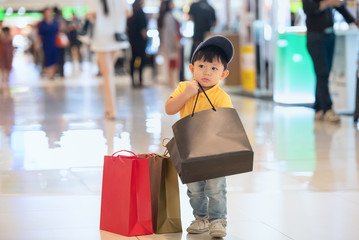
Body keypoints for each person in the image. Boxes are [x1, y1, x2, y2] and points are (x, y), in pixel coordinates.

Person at [165, 36, 234, 238]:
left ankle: (218, 220)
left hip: (214, 150)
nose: (206, 72)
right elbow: (169, 109)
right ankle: (200, 217)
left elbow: (227, 125)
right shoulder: (184, 88)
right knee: (194, 188)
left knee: (216, 187)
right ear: (192, 68)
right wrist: (186, 93)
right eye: (202, 65)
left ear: (223, 74)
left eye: (214, 68)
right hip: (189, 147)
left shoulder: (222, 97)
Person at [302, 0, 359, 123]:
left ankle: (318, 108)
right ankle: (327, 108)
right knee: (322, 73)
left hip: (329, 35)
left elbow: (339, 7)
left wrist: (353, 21)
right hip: (315, 37)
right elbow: (308, 9)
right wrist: (327, 3)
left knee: (324, 73)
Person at [87, 0, 131, 119]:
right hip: (117, 36)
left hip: (102, 36)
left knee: (107, 73)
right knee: (107, 71)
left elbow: (94, 13)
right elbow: (128, 12)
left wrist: (88, 16)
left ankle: (112, 109)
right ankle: (108, 106)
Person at [157, 0, 182, 89]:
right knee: (172, 64)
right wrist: (177, 42)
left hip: (166, 44)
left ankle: (171, 82)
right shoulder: (169, 16)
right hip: (171, 44)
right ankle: (172, 82)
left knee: (170, 64)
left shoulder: (164, 16)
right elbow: (172, 32)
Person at [127, 0, 148, 88]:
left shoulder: (131, 12)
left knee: (133, 59)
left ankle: (132, 80)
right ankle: (140, 80)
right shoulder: (141, 12)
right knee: (141, 59)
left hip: (132, 40)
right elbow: (143, 29)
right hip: (140, 40)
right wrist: (146, 38)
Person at [37, 7, 59, 79]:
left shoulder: (55, 22)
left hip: (55, 43)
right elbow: (39, 35)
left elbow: (59, 31)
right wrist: (37, 43)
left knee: (55, 59)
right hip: (46, 44)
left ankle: (53, 74)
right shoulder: (42, 23)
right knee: (48, 59)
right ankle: (50, 75)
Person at [0, 27, 14, 96]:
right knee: (2, 65)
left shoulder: (10, 37)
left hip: (8, 53)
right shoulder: (1, 37)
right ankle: (3, 78)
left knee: (8, 65)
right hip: (2, 53)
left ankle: (7, 78)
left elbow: (12, 46)